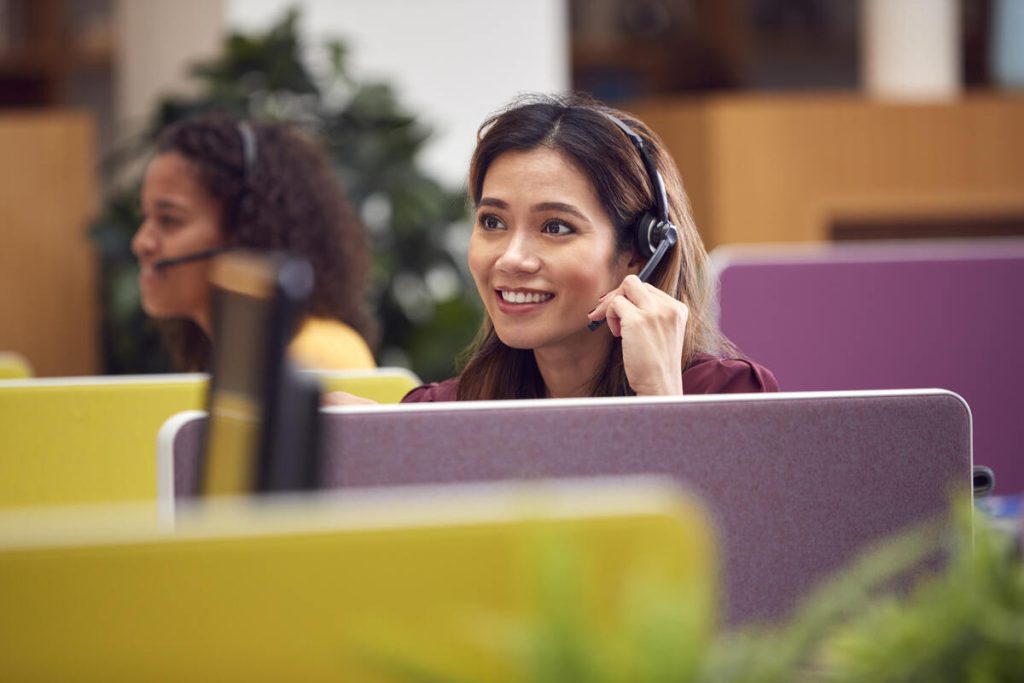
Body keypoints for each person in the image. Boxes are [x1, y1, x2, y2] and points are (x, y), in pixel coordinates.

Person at [131, 115, 377, 372]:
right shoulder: (232, 363)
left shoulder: (314, 358)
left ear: (246, 234)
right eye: (144, 217)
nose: (140, 243)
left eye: (169, 220)